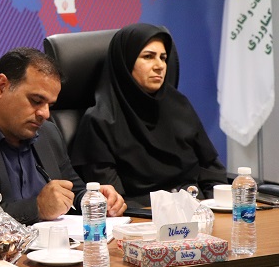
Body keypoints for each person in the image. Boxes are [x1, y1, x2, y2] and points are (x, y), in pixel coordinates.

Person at [0, 47, 125, 233]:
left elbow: (73, 190)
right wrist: (36, 208)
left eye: (50, 105)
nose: (45, 114)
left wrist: (94, 199)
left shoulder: (48, 133)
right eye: (36, 101)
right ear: (1, 87)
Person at [70, 23, 227, 207]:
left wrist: (217, 207)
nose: (159, 66)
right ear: (125, 62)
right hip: (142, 216)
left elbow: (212, 172)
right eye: (148, 57)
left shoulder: (179, 106)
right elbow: (113, 200)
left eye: (163, 58)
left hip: (197, 210)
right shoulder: (99, 121)